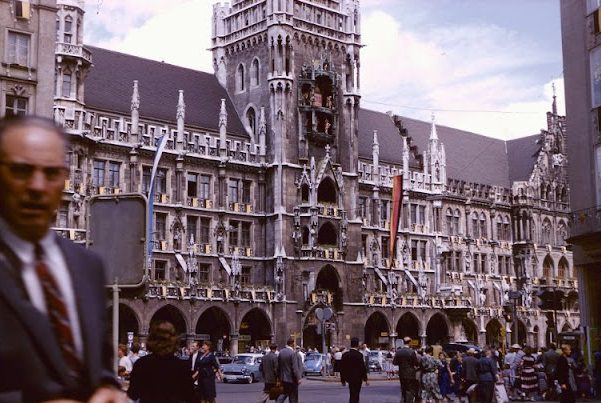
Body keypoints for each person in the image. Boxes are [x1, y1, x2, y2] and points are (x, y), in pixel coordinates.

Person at [0, 115, 125, 402]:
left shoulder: (88, 266)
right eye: (21, 170)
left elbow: (99, 368)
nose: (37, 186)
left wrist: (109, 390)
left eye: (52, 173)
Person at [127, 321, 194, 403]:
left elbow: (133, 394)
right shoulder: (181, 366)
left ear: (152, 339)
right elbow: (190, 396)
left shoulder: (141, 364)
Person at [340, 337, 369, 403]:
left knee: (352, 393)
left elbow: (342, 368)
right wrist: (365, 379)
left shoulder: (345, 355)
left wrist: (343, 380)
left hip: (349, 378)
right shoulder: (359, 355)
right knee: (356, 394)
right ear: (357, 344)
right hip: (358, 378)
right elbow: (362, 368)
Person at [276, 337, 304, 403]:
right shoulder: (292, 353)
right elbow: (295, 368)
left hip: (283, 378)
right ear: (292, 344)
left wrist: (278, 377)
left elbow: (278, 366)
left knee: (284, 393)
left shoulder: (281, 352)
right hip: (291, 379)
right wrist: (298, 378)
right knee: (293, 396)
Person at [393, 336, 419, 403]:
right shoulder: (412, 352)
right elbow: (416, 363)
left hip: (402, 373)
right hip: (411, 374)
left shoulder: (398, 352)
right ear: (409, 342)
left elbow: (394, 362)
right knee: (410, 390)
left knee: (403, 389)